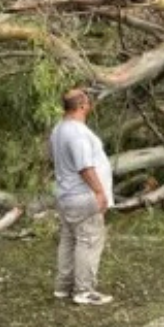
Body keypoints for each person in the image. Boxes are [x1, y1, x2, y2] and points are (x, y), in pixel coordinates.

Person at [48, 88, 114, 306]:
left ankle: (63, 287)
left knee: (69, 240)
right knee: (89, 240)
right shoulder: (77, 133)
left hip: (65, 195)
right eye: (88, 102)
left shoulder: (59, 129)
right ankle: (84, 290)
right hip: (82, 195)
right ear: (83, 106)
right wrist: (99, 192)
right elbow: (85, 167)